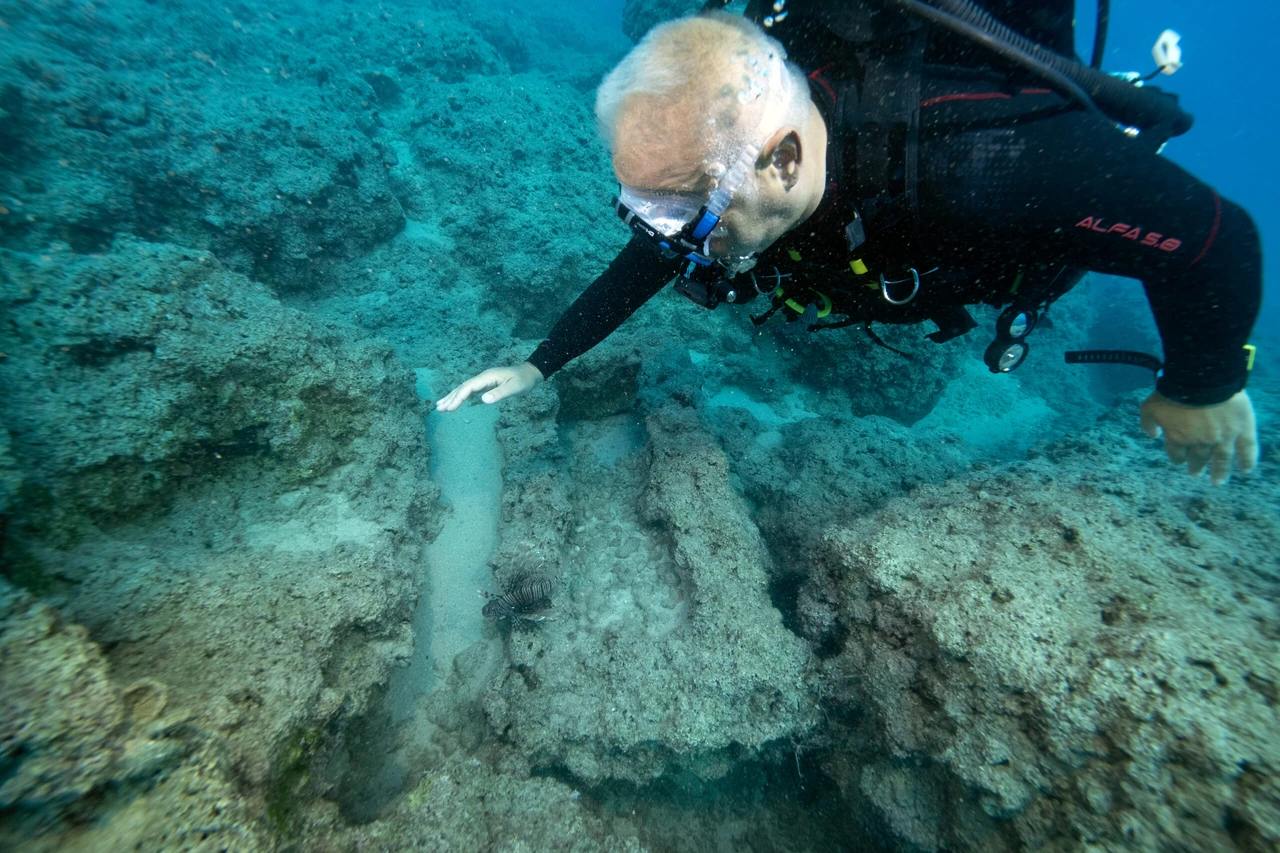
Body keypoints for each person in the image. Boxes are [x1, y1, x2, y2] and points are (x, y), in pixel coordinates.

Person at [436, 1, 1262, 486]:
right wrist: (543, 360)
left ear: (783, 160)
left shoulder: (985, 167)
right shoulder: (721, 175)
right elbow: (657, 251)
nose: (671, 246)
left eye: (683, 215)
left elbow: (1216, 239)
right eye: (641, 211)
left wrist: (1204, 384)